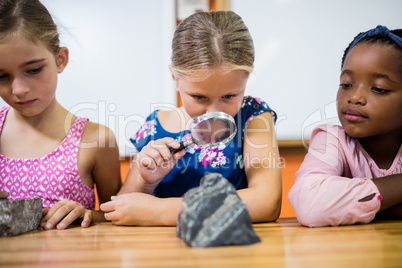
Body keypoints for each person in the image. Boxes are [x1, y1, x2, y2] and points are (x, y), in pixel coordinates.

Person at [100, 10, 282, 226]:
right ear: (175, 79)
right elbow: (121, 207)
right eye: (199, 97)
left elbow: (267, 201)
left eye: (229, 96)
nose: (214, 112)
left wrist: (159, 210)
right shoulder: (152, 127)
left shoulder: (253, 115)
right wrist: (145, 182)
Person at [0, 0, 122, 229]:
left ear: (60, 59)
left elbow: (117, 216)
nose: (18, 90)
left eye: (33, 70)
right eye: (1, 76)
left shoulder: (96, 140)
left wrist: (88, 215)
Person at [288, 25, 402, 227]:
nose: (354, 97)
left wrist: (350, 205)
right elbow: (309, 204)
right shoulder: (331, 139)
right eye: (346, 84)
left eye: (378, 89)